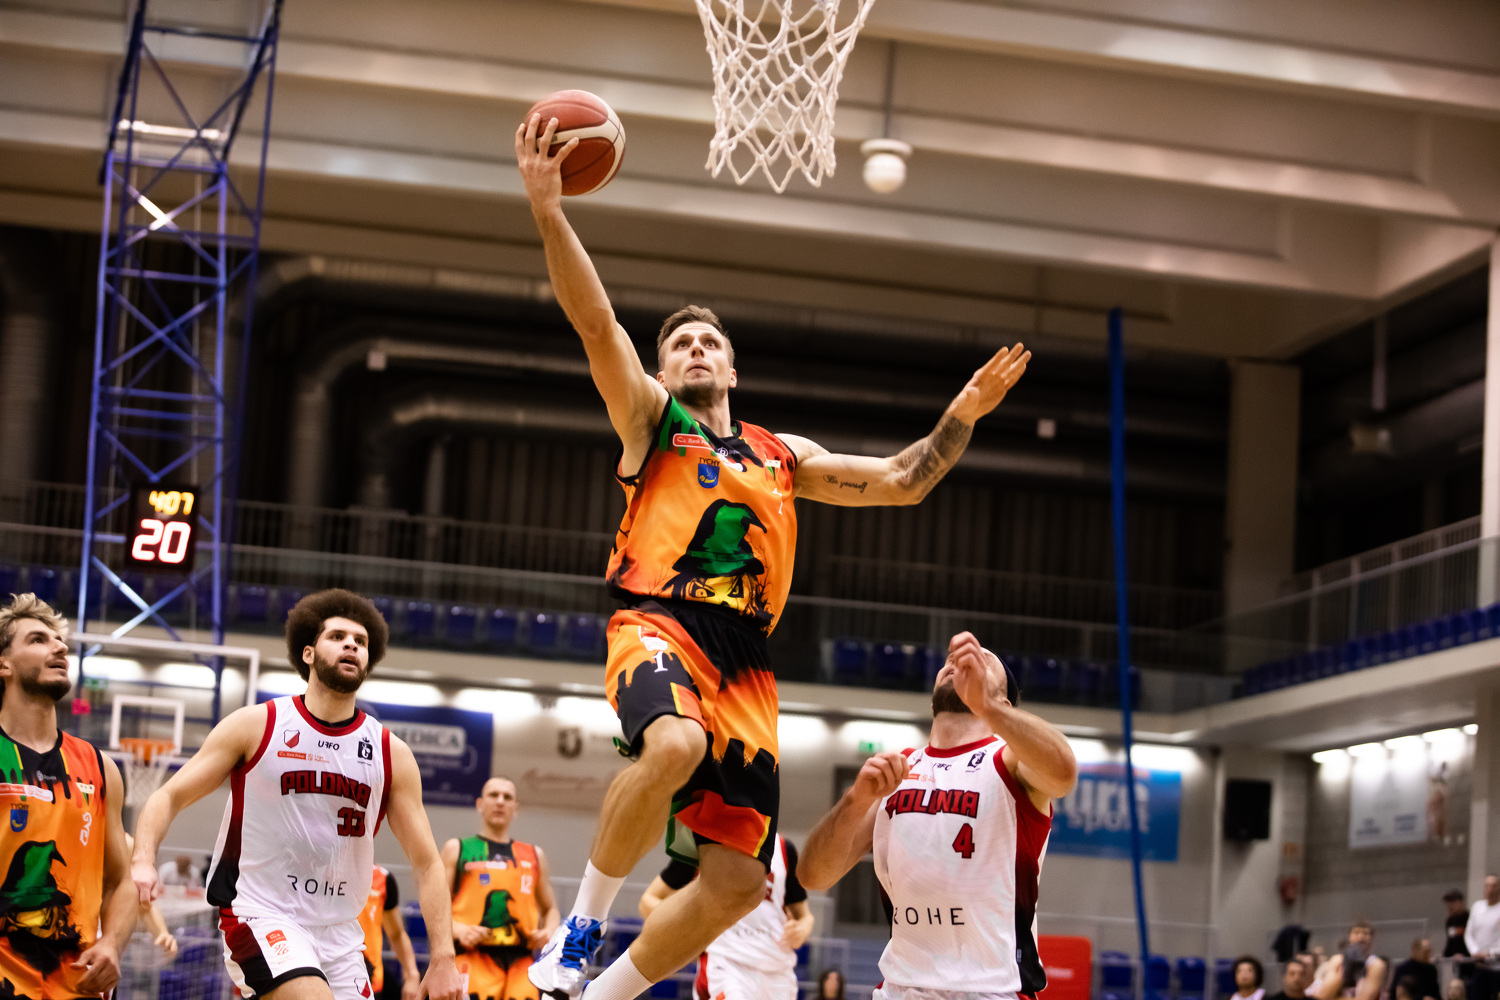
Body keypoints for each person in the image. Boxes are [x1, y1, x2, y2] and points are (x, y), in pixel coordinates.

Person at [516, 113, 1032, 1000]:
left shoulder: (782, 455)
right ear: (664, 372)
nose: (695, 349)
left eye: (709, 342)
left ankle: (600, 997)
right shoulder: (652, 422)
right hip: (660, 619)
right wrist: (549, 210)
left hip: (748, 661)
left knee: (737, 883)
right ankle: (583, 927)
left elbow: (902, 481)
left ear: (732, 370)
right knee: (673, 745)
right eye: (680, 345)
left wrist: (964, 415)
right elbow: (596, 323)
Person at [130, 589, 465, 1000]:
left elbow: (427, 863)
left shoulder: (389, 752)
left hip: (340, 934)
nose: (351, 645)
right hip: (260, 912)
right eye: (338, 636)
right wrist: (143, 858)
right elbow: (169, 796)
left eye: (360, 641)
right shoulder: (258, 725)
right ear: (308, 653)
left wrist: (443, 957)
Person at [797, 632, 1077, 999]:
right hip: (900, 988)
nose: (958, 665)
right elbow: (813, 875)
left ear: (1004, 701)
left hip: (990, 991)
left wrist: (987, 707)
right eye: (951, 660)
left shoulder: (1008, 762)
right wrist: (855, 799)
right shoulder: (901, 768)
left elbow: (1063, 772)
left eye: (980, 663)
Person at [0, 593, 136, 998]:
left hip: (75, 981)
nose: (59, 647)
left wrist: (112, 943)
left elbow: (121, 881)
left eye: (60, 641)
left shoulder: (100, 767)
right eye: (38, 640)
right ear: (4, 664)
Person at [638, 835, 813, 1000]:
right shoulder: (702, 837)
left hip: (778, 968)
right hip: (725, 963)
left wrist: (802, 929)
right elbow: (648, 900)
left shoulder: (783, 848)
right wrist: (689, 922)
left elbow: (805, 916)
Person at [442, 776, 560, 1000]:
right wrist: (458, 929)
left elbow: (550, 908)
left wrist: (548, 932)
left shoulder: (534, 855)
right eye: (493, 795)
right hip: (472, 958)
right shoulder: (457, 849)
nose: (500, 801)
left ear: (515, 808)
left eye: (507, 797)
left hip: (522, 965)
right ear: (479, 804)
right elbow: (436, 907)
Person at [358, 865, 420, 1000]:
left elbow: (397, 934)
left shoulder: (382, 879)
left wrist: (412, 975)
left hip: (368, 982)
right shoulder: (322, 873)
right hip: (325, 976)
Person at [1470, 877, 1500, 1000]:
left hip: (1497, 967)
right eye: (1487, 886)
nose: (1489, 889)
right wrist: (1475, 951)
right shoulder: (1477, 907)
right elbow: (1469, 933)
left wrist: (1491, 953)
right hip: (1480, 967)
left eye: (1493, 886)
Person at [1446, 890, 1471, 957]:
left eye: (1453, 902)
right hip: (1454, 959)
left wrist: (1464, 955)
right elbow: (1450, 943)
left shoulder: (1470, 918)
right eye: (1448, 903)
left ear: (1461, 902)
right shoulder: (1450, 921)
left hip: (1468, 957)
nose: (1450, 906)